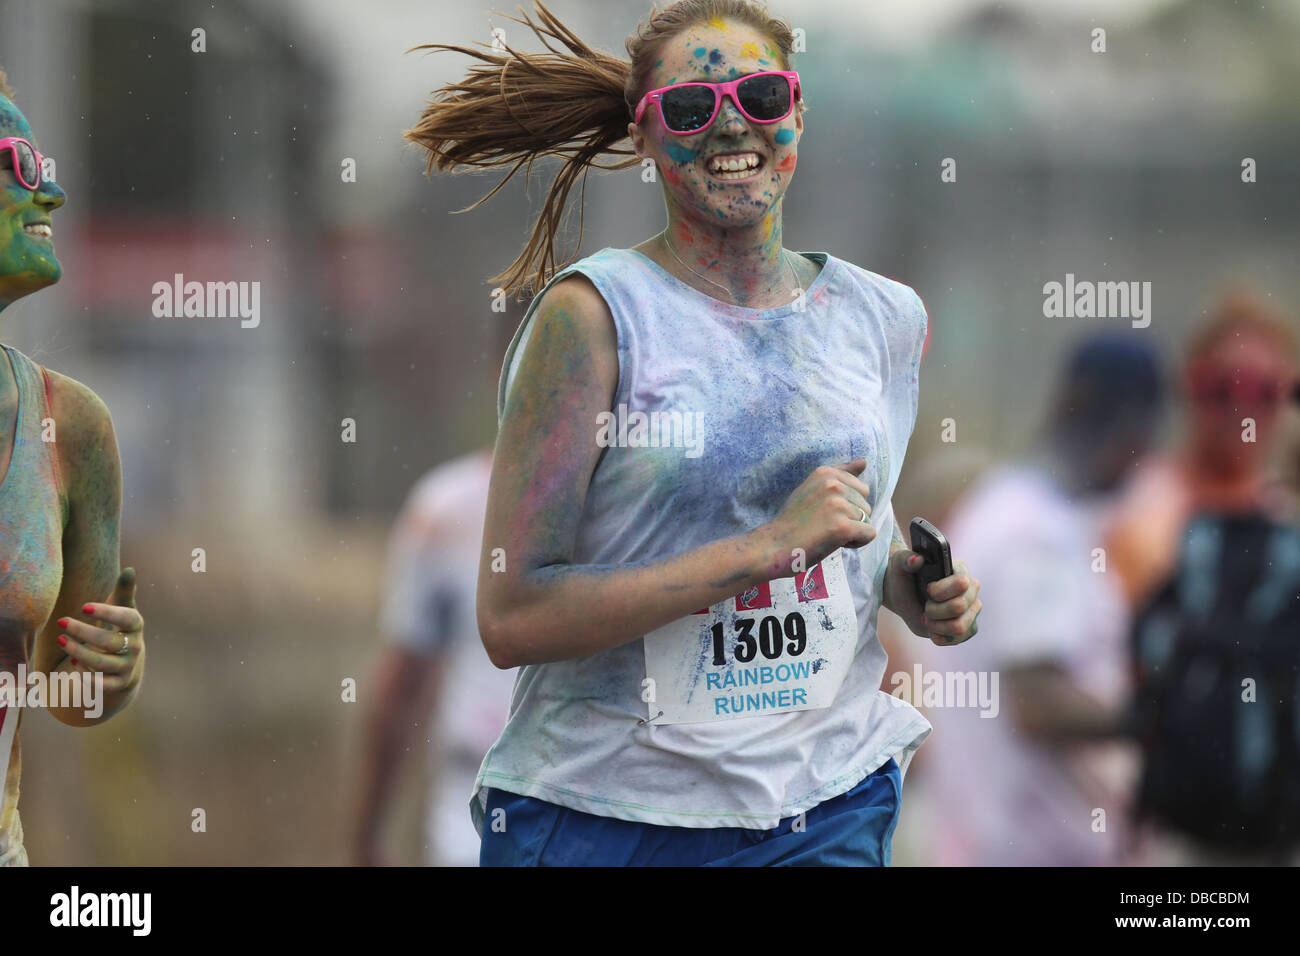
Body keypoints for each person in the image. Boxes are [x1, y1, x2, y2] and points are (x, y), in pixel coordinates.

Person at [404, 0, 980, 867]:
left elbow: (851, 535)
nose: (731, 126)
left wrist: (910, 588)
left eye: (760, 95)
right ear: (644, 137)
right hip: (607, 815)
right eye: (688, 109)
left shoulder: (882, 316)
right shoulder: (592, 318)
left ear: (797, 109)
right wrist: (764, 551)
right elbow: (512, 615)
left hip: (821, 806)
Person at [918, 334, 1164, 866]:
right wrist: (1162, 720)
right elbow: (1038, 704)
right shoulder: (1038, 534)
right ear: (1128, 434)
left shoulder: (1002, 505)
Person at [0, 65, 146, 867]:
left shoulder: (70, 427)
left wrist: (112, 673)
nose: (49, 194)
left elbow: (66, 694)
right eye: (19, 164)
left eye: (47, 169)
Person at [352, 446, 516, 866]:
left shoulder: (449, 506)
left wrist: (365, 837)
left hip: (484, 804)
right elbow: (402, 682)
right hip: (481, 804)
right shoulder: (445, 510)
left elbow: (401, 685)